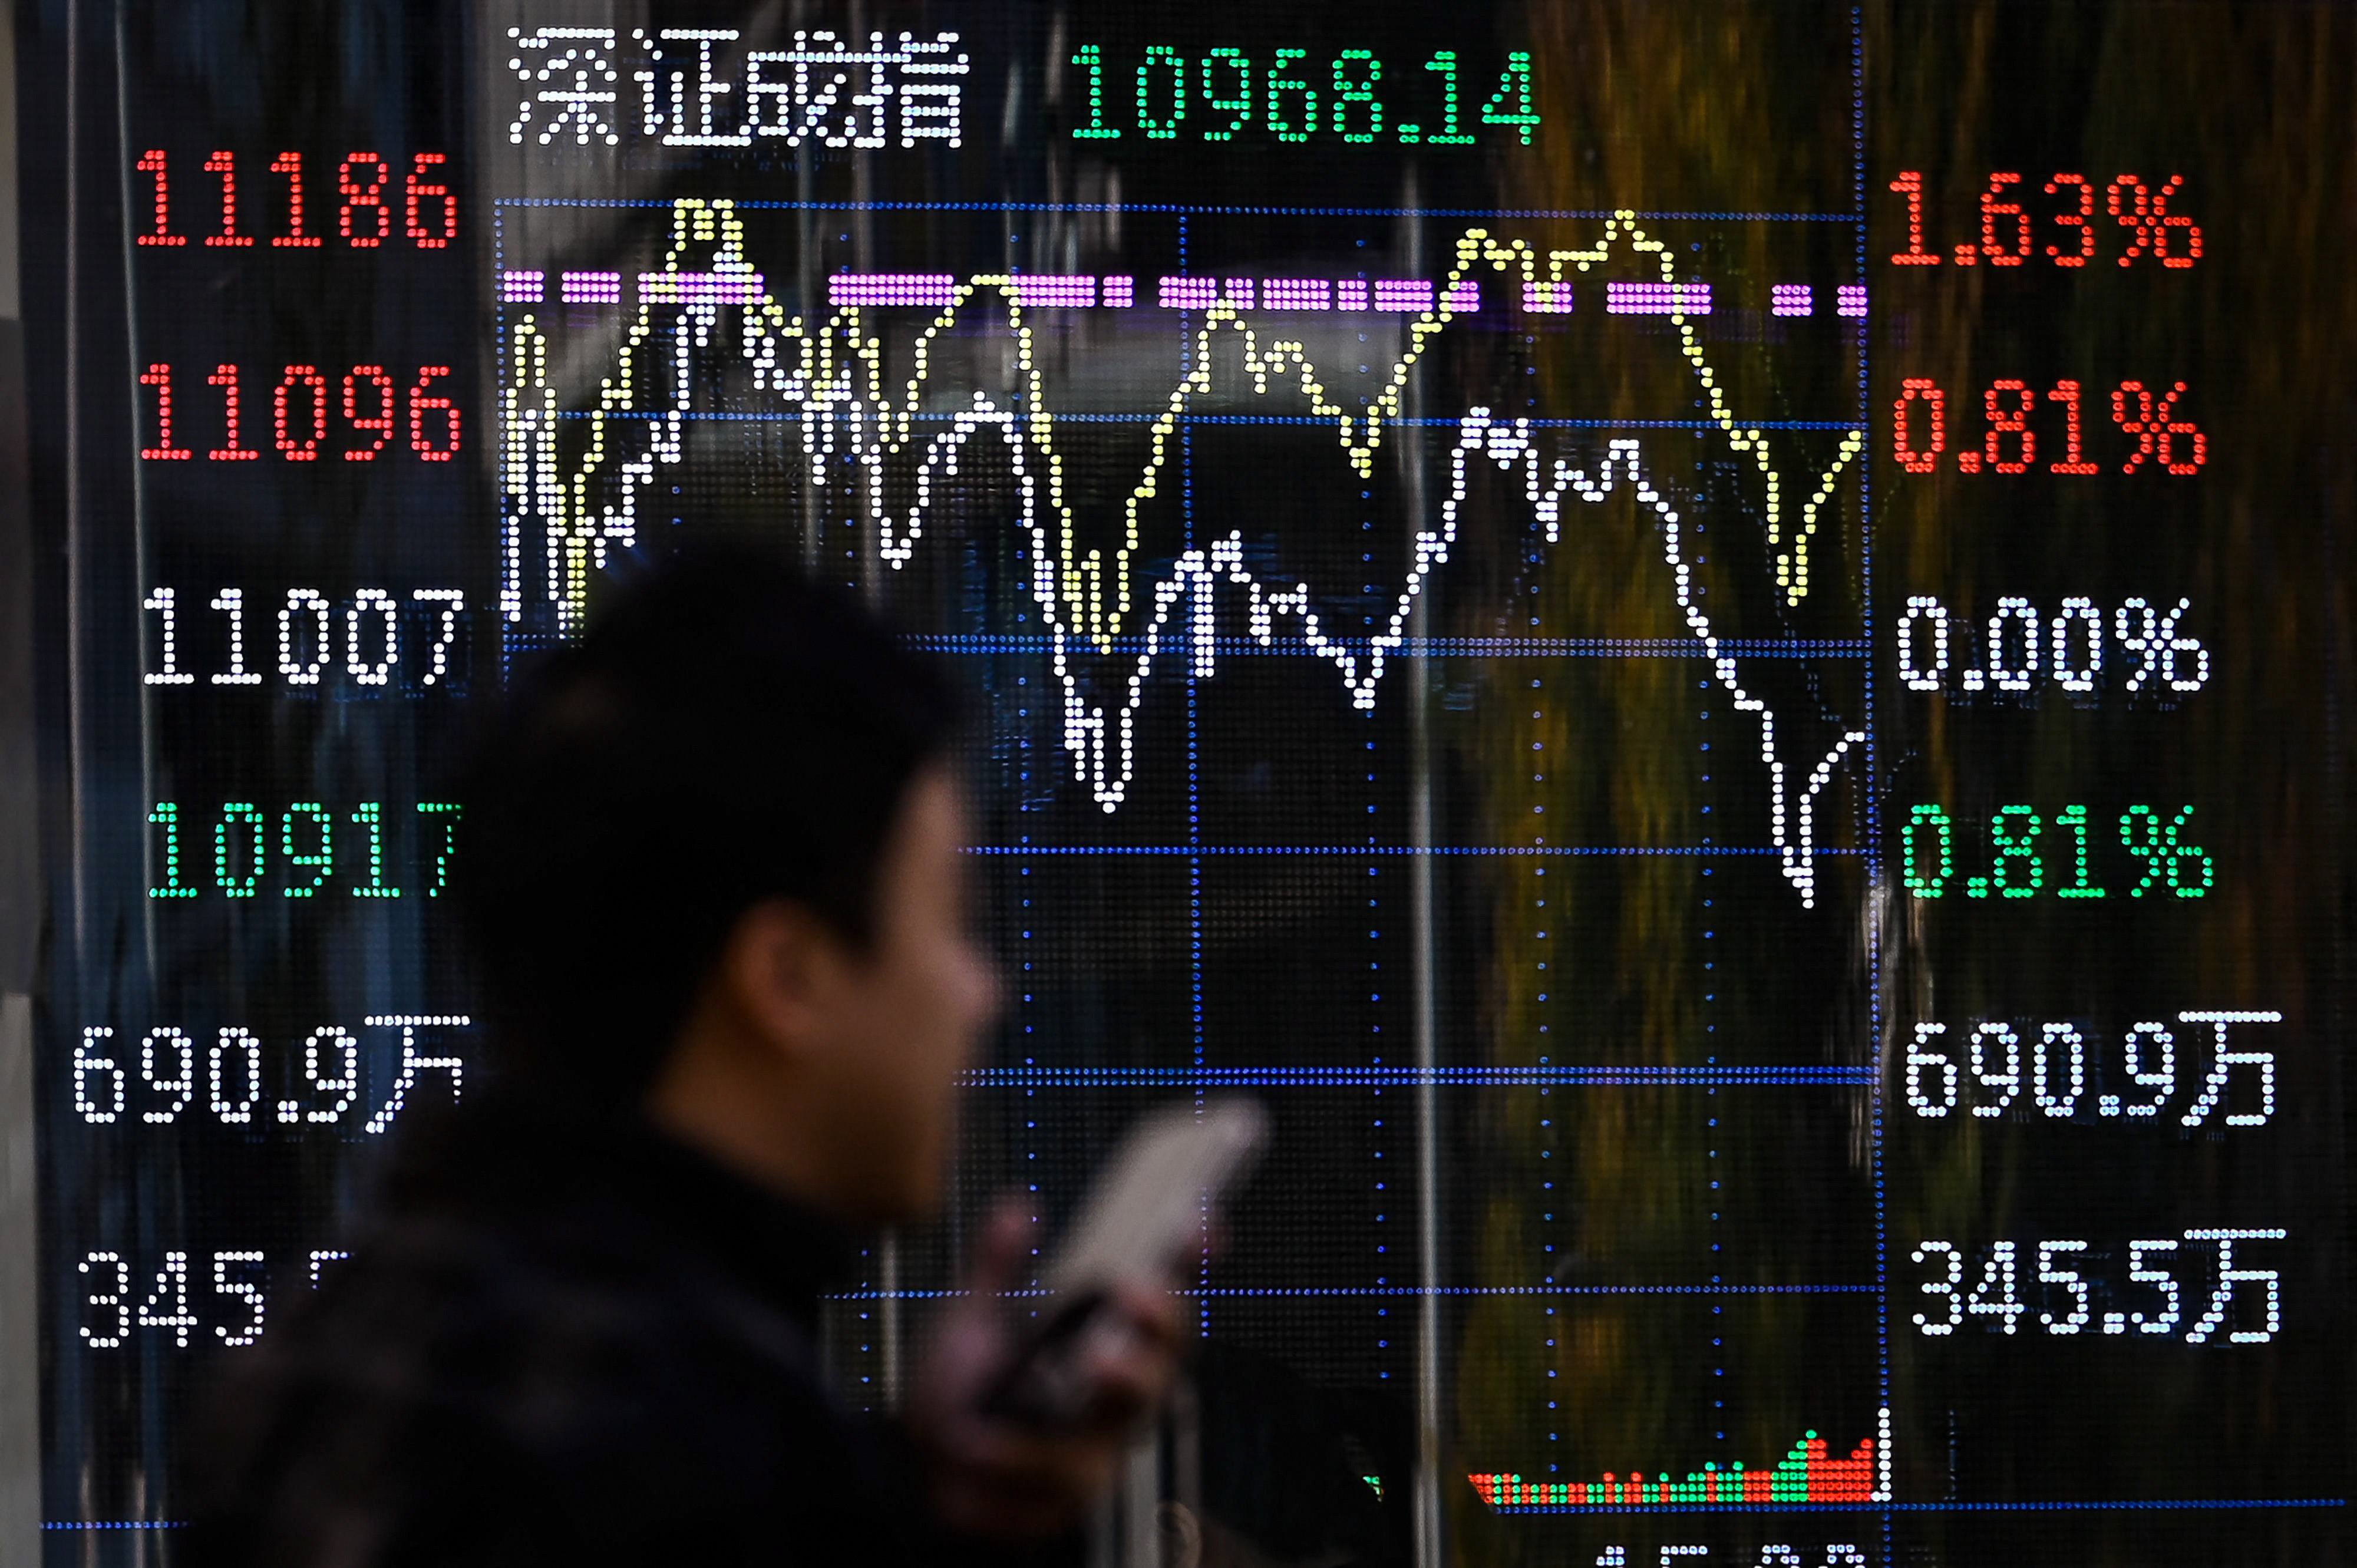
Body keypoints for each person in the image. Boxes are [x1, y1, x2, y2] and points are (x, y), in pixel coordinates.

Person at [185, 549, 1184, 1565]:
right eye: (953, 922)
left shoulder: (314, 1358)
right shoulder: (689, 1454)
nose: (985, 992)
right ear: (785, 977)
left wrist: (922, 1491)